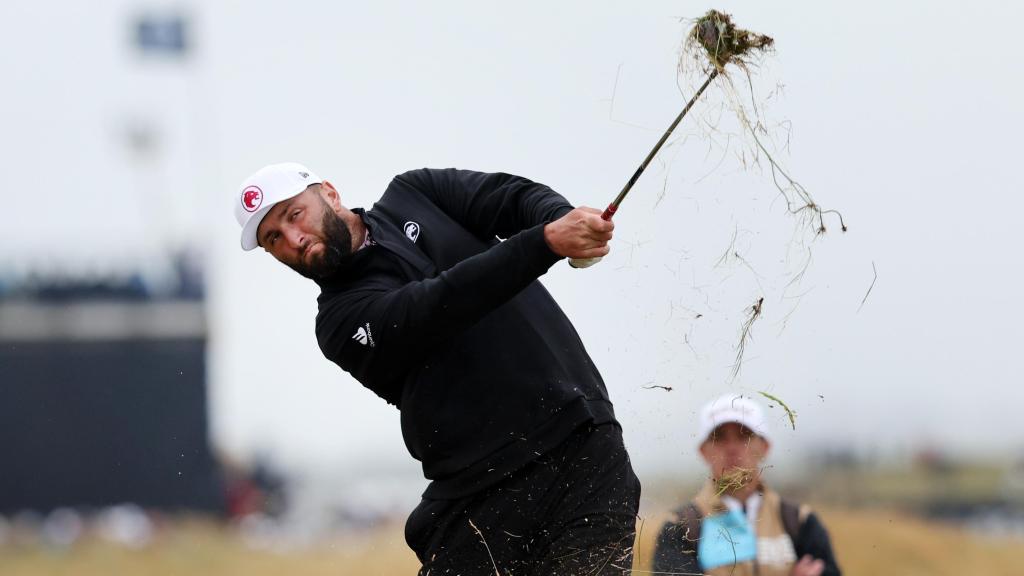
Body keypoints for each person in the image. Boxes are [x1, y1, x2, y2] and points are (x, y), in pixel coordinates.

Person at [233, 163, 640, 574]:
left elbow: (510, 197)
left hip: (584, 446)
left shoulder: (417, 192)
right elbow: (438, 305)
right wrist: (547, 242)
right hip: (481, 495)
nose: (294, 239)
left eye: (293, 215)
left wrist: (563, 219)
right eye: (273, 239)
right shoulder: (339, 323)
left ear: (330, 194)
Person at [651, 394, 841, 575]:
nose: (732, 448)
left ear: (765, 447)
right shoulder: (680, 527)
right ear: (703, 451)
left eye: (744, 437)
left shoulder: (800, 521)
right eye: (719, 437)